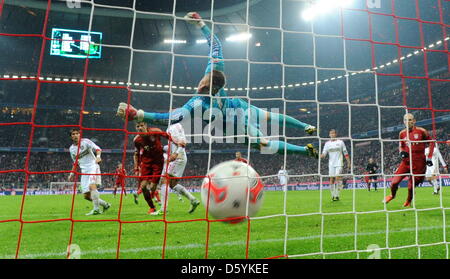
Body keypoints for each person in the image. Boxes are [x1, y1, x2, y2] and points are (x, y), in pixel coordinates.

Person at [116, 12, 318, 158]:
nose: (200, 83)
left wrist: (139, 114)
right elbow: (216, 46)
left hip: (233, 125)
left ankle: (304, 140)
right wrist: (201, 24)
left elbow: (169, 118)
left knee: (264, 142)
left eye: (203, 84)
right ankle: (305, 133)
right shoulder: (214, 71)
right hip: (238, 108)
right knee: (269, 119)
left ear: (210, 86)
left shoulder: (197, 103)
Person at [384, 113, 435, 207]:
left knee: (410, 186)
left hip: (419, 163)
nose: (408, 122)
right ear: (403, 122)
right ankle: (392, 195)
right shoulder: (402, 133)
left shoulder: (421, 131)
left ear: (414, 121)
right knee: (394, 182)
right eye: (406, 120)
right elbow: (401, 146)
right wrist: (401, 152)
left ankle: (408, 200)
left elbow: (432, 143)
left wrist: (429, 157)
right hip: (406, 162)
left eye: (410, 120)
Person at [155, 123, 200, 215]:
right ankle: (193, 200)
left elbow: (182, 143)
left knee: (164, 180)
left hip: (177, 158)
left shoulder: (173, 127)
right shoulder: (177, 127)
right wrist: (162, 148)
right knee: (172, 185)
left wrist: (176, 153)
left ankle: (163, 210)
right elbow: (174, 145)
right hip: (181, 157)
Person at [68, 128, 111, 215]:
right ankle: (105, 205)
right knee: (86, 196)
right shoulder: (71, 149)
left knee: (92, 186)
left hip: (93, 166)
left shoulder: (86, 142)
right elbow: (75, 162)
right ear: (71, 137)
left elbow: (98, 149)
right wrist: (71, 173)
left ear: (80, 135)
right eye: (73, 134)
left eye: (77, 133)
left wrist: (98, 156)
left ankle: (96, 209)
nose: (75, 135)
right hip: (84, 171)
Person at [133, 121, 166, 215]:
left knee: (152, 187)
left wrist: (177, 147)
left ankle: (155, 197)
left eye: (141, 125)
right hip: (146, 163)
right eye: (137, 126)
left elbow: (167, 136)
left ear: (146, 126)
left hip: (158, 162)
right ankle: (152, 207)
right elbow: (136, 154)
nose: (139, 128)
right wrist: (136, 167)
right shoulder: (137, 140)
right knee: (143, 187)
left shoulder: (155, 132)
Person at [320, 129, 351, 201]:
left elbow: (345, 153)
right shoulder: (327, 144)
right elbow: (324, 155)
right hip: (331, 164)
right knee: (331, 179)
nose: (332, 135)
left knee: (337, 177)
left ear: (336, 134)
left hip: (339, 163)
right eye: (331, 133)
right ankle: (333, 195)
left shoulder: (340, 142)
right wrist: (318, 155)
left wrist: (349, 162)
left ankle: (337, 194)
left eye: (333, 133)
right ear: (329, 135)